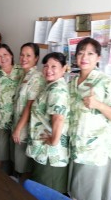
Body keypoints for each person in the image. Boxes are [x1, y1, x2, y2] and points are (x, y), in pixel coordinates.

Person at [68, 38, 111, 200]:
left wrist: (98, 105)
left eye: (90, 53)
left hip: (96, 151)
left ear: (99, 58)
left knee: (89, 195)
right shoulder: (72, 83)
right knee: (75, 192)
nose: (84, 57)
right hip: (75, 147)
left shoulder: (107, 83)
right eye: (80, 53)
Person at [26, 52, 70, 193]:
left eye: (54, 66)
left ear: (64, 69)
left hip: (50, 154)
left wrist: (53, 140)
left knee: (46, 190)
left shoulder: (57, 89)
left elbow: (58, 117)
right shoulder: (51, 85)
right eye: (45, 66)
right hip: (45, 150)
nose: (48, 69)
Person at [11, 43, 45, 183]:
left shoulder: (36, 78)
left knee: (24, 167)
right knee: (19, 165)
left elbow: (29, 106)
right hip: (18, 127)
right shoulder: (24, 75)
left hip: (25, 130)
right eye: (22, 54)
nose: (24, 58)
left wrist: (18, 129)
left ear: (36, 58)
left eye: (28, 55)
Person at [0, 43, 23, 169]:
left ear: (11, 55)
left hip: (18, 120)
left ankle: (11, 180)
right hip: (0, 119)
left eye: (5, 54)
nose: (2, 58)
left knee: (16, 155)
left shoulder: (21, 70)